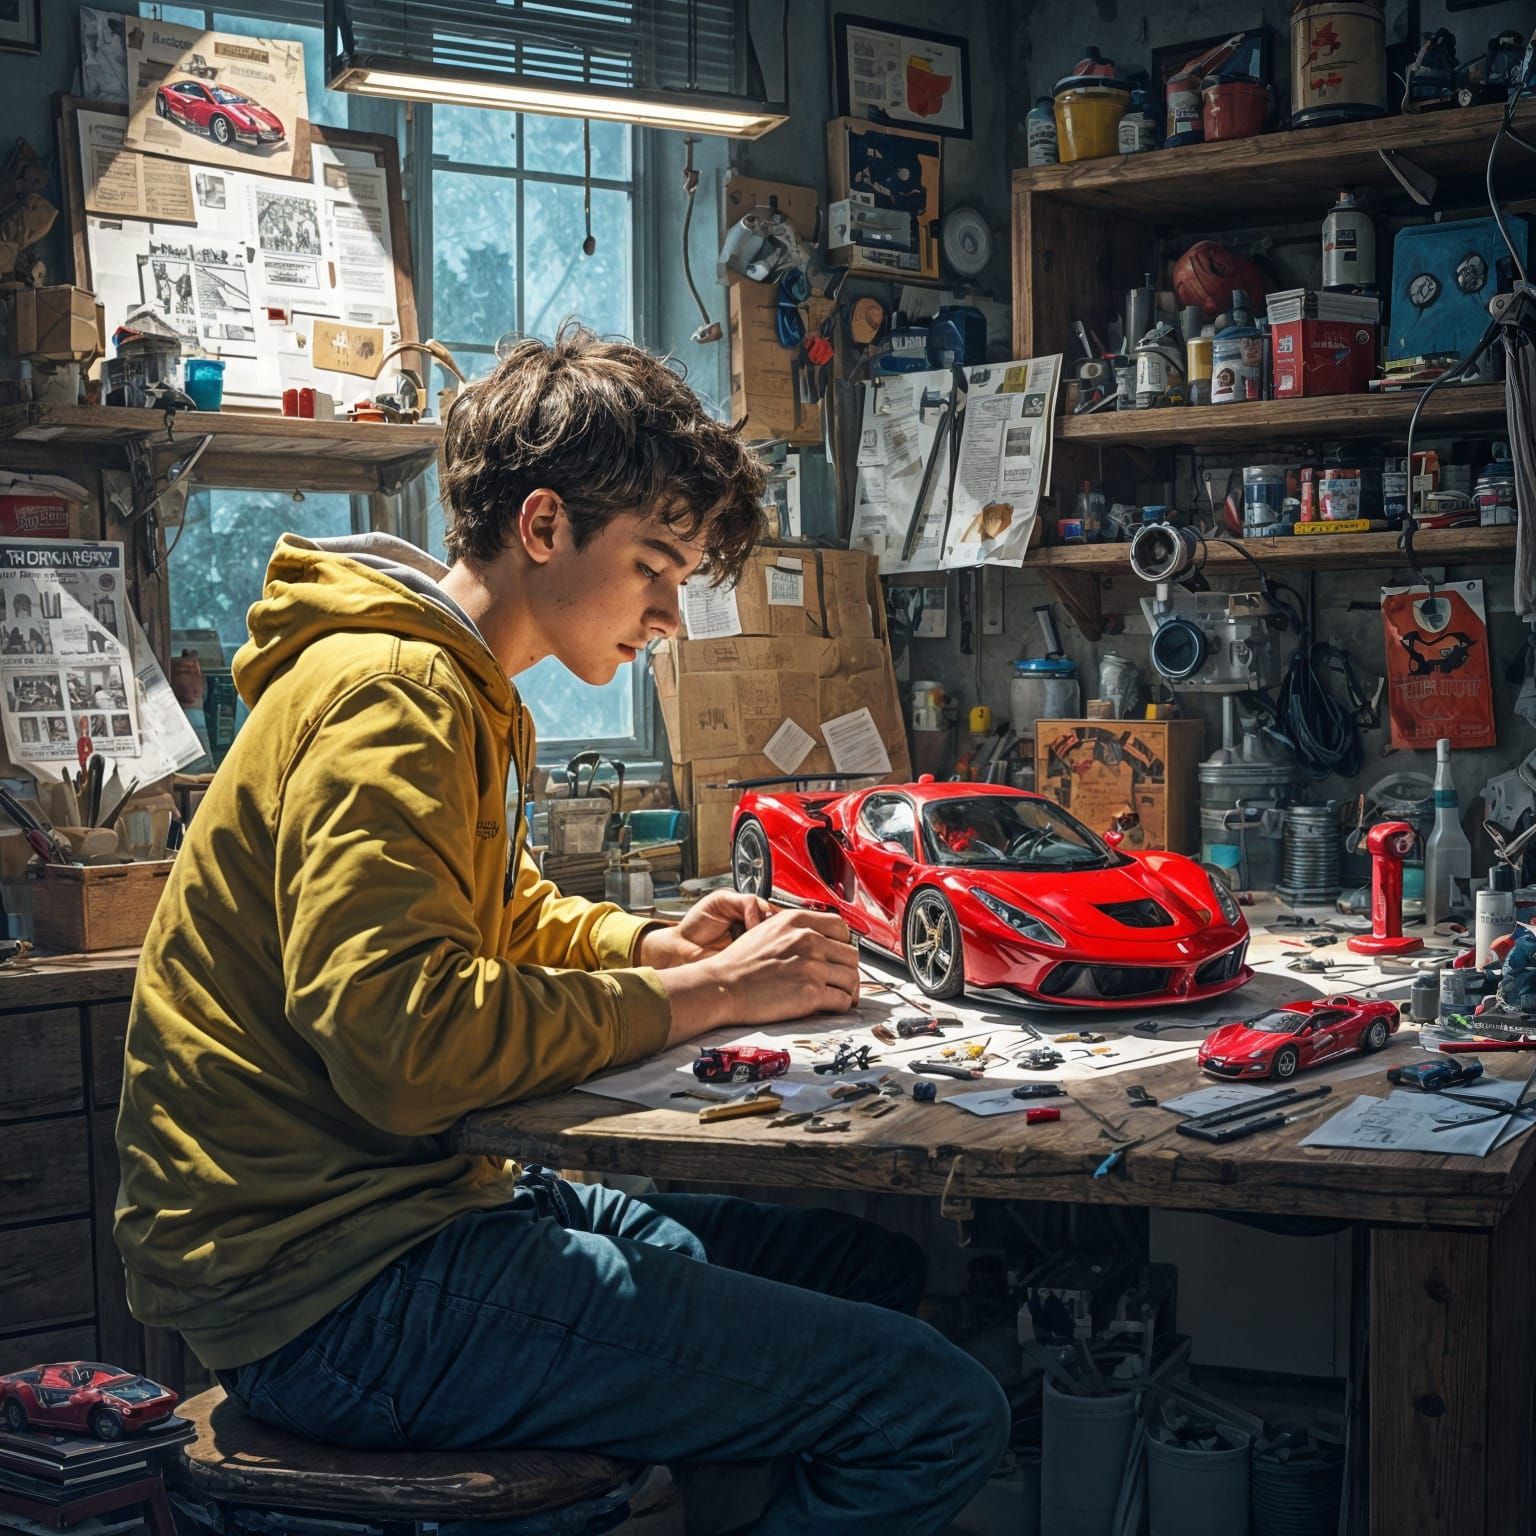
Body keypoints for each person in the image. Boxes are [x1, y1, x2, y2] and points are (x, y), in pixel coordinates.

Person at [115, 326, 1009, 1534]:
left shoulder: (454, 683)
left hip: (419, 1217)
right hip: (330, 1289)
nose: (673, 617)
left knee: (860, 1269)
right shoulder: (397, 695)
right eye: (654, 564)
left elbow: (496, 911)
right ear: (543, 528)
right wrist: (715, 997)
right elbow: (403, 1043)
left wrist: (647, 950)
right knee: (939, 1406)